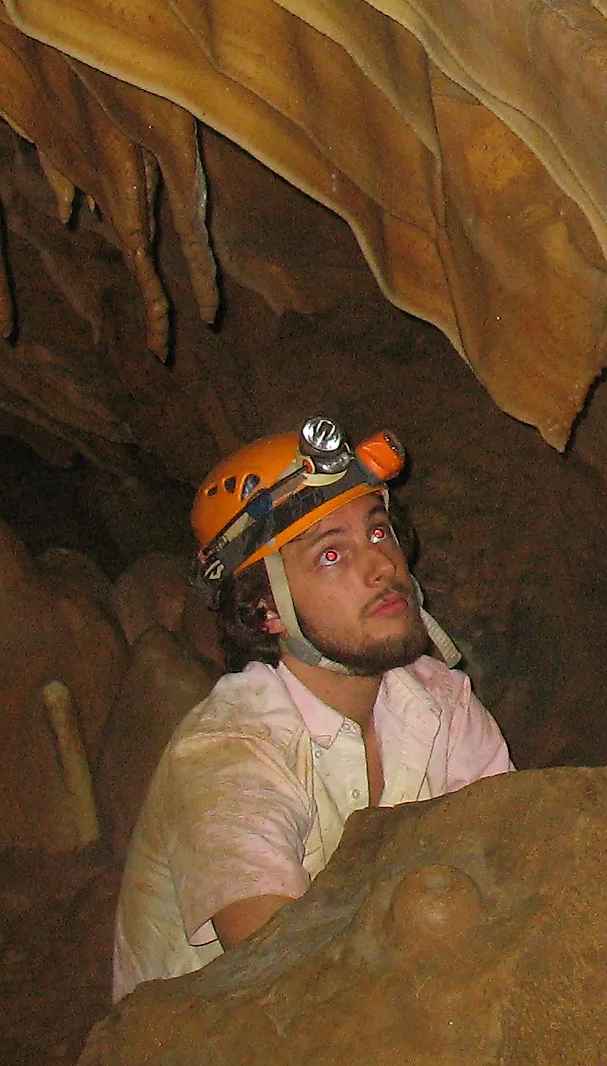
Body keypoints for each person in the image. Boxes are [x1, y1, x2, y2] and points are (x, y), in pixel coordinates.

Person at [112, 415, 511, 998]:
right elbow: (282, 971)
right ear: (265, 612)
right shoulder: (229, 756)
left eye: (378, 533)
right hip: (220, 1061)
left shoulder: (439, 704)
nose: (381, 566)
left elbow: (515, 854)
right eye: (331, 555)